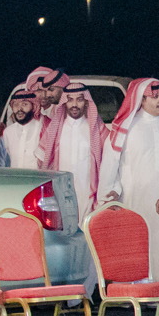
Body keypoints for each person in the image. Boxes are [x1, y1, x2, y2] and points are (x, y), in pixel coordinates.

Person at [99, 78, 159, 283]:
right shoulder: (125, 128)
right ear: (141, 99)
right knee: (140, 245)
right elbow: (110, 163)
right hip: (136, 198)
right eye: (155, 97)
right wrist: (110, 192)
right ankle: (139, 291)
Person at [51, 83, 106, 216]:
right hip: (61, 192)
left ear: (86, 102)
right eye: (70, 100)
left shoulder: (96, 128)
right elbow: (43, 160)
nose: (74, 104)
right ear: (64, 102)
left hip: (87, 192)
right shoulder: (56, 129)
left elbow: (109, 159)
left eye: (79, 100)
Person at [0, 88, 46, 169]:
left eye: (24, 104)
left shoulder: (43, 128)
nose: (19, 109)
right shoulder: (8, 132)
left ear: (34, 106)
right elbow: (3, 161)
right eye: (16, 105)